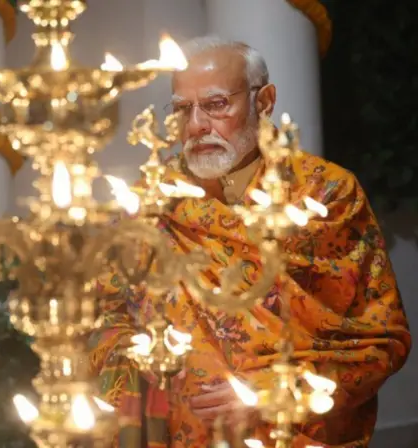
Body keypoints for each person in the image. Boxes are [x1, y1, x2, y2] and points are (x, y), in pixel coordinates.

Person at [88, 36, 411, 447]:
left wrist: (273, 393)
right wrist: (146, 370)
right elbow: (102, 321)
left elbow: (381, 340)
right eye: (182, 109)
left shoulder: (325, 195)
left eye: (216, 104)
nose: (196, 125)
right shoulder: (149, 202)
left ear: (264, 101)